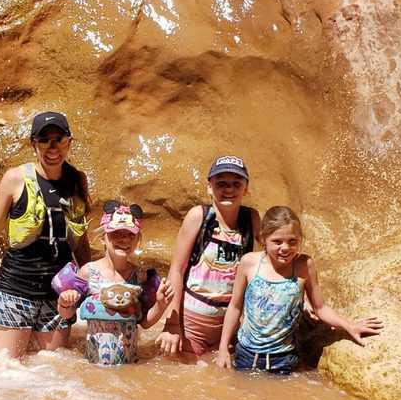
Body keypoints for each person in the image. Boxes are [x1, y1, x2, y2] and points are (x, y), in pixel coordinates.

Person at [0, 111, 92, 358]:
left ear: (70, 142)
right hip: (15, 291)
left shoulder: (78, 181)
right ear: (33, 144)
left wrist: (94, 286)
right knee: (8, 372)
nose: (52, 146)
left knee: (54, 371)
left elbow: (80, 242)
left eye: (59, 139)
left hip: (58, 298)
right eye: (44, 140)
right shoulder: (15, 179)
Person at [216, 206, 383, 374]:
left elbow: (320, 308)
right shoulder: (249, 263)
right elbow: (235, 306)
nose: (285, 248)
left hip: (284, 358)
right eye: (277, 241)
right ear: (264, 238)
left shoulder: (304, 265)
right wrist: (223, 347)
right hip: (246, 355)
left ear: (300, 239)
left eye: (292, 241)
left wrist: (349, 326)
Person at [158, 155, 258, 359]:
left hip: (228, 327)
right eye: (221, 183)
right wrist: (172, 324)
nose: (228, 189)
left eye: (236, 183)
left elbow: (273, 261)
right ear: (209, 187)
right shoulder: (199, 216)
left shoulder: (251, 219)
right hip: (191, 324)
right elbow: (177, 269)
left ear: (245, 188)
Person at [54, 202, 175, 365]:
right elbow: (66, 315)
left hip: (129, 365)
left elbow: (145, 323)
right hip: (93, 366)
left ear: (138, 239)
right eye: (116, 233)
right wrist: (64, 301)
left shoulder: (140, 277)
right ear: (103, 237)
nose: (124, 239)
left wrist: (161, 304)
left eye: (130, 234)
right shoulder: (89, 272)